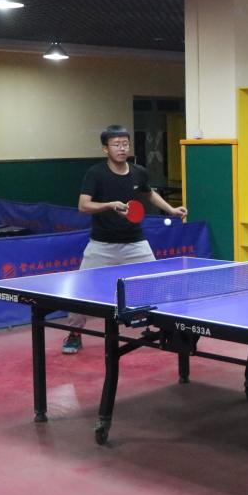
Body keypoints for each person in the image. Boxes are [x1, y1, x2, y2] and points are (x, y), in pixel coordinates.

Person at [61, 125, 187, 354]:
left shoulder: (139, 172)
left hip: (135, 243)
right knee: (81, 290)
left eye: (125, 144)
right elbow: (83, 206)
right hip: (102, 245)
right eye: (116, 144)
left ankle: (167, 330)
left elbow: (148, 192)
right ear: (105, 149)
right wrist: (110, 205)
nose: (122, 148)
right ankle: (74, 333)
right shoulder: (96, 173)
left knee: (156, 282)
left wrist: (171, 209)